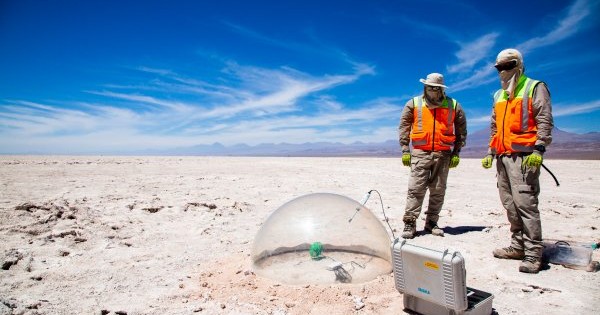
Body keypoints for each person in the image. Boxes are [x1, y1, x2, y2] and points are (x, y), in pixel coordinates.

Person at [482, 48, 553, 274]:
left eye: (508, 65)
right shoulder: (498, 95)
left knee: (526, 205)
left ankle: (533, 255)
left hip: (524, 158)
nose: (503, 71)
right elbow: (495, 126)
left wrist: (539, 149)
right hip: (502, 157)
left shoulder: (534, 87)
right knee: (510, 205)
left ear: (519, 65)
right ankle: (518, 246)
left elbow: (544, 119)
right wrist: (491, 152)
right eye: (499, 67)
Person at [399, 73, 467, 239]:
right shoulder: (414, 103)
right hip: (420, 153)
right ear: (425, 87)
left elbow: (461, 130)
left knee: (438, 190)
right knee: (416, 189)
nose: (432, 91)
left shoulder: (454, 105)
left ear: (441, 89)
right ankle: (410, 223)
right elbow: (404, 127)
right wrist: (405, 150)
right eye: (429, 87)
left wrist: (457, 152)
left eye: (436, 88)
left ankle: (431, 223)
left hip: (443, 153)